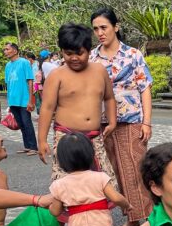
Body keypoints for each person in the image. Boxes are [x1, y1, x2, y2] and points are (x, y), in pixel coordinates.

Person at [90, 7, 153, 226]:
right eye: (96, 28)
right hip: (105, 123)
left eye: (104, 27)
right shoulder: (92, 58)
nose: (100, 32)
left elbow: (145, 88)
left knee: (136, 169)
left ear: (116, 27)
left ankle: (149, 218)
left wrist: (147, 122)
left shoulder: (133, 55)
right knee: (115, 171)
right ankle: (131, 217)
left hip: (132, 119)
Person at [38, 23, 118, 186]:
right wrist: (42, 140)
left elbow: (109, 98)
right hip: (66, 138)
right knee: (67, 184)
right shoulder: (56, 76)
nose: (74, 58)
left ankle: (96, 212)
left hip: (94, 136)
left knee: (103, 185)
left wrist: (112, 121)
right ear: (62, 51)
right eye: (68, 54)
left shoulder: (99, 71)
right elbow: (46, 108)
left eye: (79, 53)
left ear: (89, 50)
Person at [3, 42, 38, 155]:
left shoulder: (24, 62)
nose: (5, 52)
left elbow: (30, 80)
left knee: (27, 122)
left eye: (7, 49)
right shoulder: (8, 65)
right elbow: (8, 84)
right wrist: (9, 100)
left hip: (24, 99)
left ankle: (33, 147)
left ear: (15, 50)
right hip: (13, 100)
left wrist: (30, 99)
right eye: (5, 50)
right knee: (21, 124)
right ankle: (27, 146)